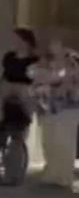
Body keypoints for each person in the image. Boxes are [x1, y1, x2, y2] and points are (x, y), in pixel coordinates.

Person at [27, 38, 77, 190]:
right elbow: (34, 75)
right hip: (47, 106)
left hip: (68, 107)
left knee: (65, 141)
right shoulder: (43, 64)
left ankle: (64, 176)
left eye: (57, 46)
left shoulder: (73, 64)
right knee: (49, 141)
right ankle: (51, 173)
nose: (53, 49)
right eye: (51, 46)